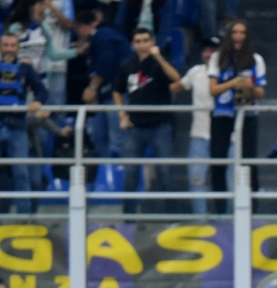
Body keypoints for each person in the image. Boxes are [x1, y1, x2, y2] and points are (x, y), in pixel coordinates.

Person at [0, 31, 48, 215]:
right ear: (0, 47)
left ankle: (25, 218)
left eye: (12, 45)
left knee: (21, 174)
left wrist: (38, 100)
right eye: (5, 45)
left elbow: (42, 90)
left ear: (18, 48)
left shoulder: (26, 69)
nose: (9, 49)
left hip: (17, 126)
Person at [113, 28, 179, 215]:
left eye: (145, 40)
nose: (142, 45)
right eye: (138, 41)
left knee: (166, 172)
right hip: (135, 127)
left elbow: (175, 78)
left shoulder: (160, 63)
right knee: (130, 174)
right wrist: (122, 115)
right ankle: (129, 219)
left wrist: (158, 58)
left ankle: (174, 218)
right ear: (133, 45)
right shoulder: (127, 66)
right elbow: (117, 91)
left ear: (153, 42)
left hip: (160, 125)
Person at [208, 19, 265, 214]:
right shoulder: (217, 57)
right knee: (218, 161)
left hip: (247, 113)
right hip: (222, 113)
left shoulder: (256, 59)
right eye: (235, 32)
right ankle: (219, 211)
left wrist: (250, 87)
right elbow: (213, 89)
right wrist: (233, 83)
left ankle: (252, 209)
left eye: (242, 33)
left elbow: (261, 93)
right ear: (229, 35)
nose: (238, 36)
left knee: (249, 162)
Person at [171, 36, 218, 215]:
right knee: (196, 180)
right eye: (205, 50)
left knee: (231, 183)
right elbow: (176, 87)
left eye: (213, 50)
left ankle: (230, 223)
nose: (208, 54)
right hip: (200, 136)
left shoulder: (231, 72)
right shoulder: (195, 72)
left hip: (228, 137)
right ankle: (200, 221)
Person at [76, 9, 131, 158]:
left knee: (118, 140)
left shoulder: (103, 34)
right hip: (104, 95)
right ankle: (106, 174)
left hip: (117, 93)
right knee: (98, 136)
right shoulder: (98, 39)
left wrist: (92, 87)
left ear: (83, 26)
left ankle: (120, 177)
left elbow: (105, 62)